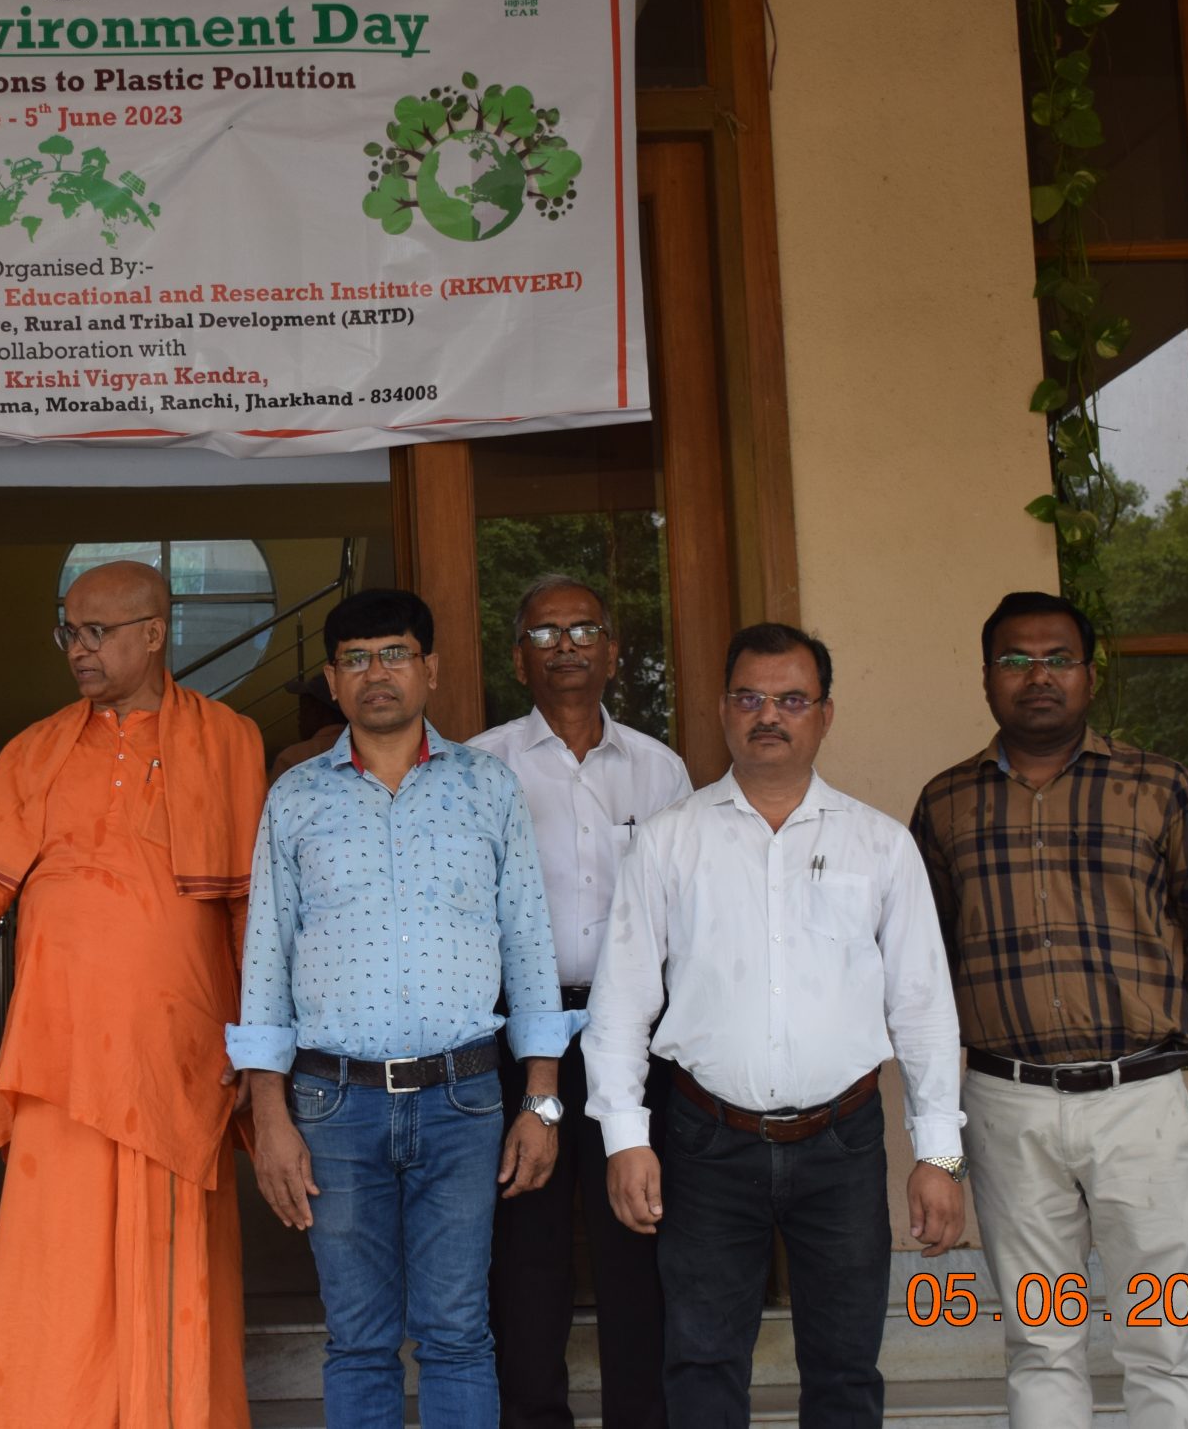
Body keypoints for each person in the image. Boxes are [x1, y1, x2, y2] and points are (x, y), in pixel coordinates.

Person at [0, 558, 264, 1427]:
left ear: (154, 634)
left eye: (97, 631)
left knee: (176, 1255)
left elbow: (252, 903)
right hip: (60, 1047)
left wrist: (257, 1042)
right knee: (56, 1258)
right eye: (69, 632)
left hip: (180, 1047)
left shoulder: (229, 739)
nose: (78, 649)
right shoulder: (34, 750)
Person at [586, 623, 966, 1429]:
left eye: (792, 699)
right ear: (724, 709)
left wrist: (940, 1153)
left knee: (846, 1368)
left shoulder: (880, 844)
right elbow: (621, 1000)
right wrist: (624, 1136)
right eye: (751, 697)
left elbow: (924, 1004)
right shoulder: (669, 840)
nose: (769, 715)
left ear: (825, 714)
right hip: (705, 1141)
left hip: (843, 1141)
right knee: (700, 1363)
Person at [912, 591, 1188, 1429]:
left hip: (1140, 1102)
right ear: (985, 677)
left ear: (1090, 675)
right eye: (1015, 659)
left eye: (1058, 658)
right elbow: (925, 959)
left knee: (1164, 1340)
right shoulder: (947, 802)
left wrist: (1162, 1016)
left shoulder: (1158, 785)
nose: (1038, 676)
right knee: (1040, 1341)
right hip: (1008, 1104)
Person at [234, 586, 568, 1429]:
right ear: (331, 680)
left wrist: (541, 1101)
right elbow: (265, 961)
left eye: (393, 654)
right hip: (333, 1105)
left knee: (458, 1333)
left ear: (430, 668)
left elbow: (531, 949)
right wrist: (268, 1116)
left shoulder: (488, 788)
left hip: (464, 1100)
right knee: (358, 1339)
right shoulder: (295, 797)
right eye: (355, 659)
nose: (375, 673)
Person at [469, 574, 691, 1429]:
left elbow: (686, 909)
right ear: (517, 657)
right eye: (544, 633)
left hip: (632, 1032)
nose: (565, 646)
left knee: (638, 1233)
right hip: (518, 1033)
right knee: (526, 1244)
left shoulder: (659, 768)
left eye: (583, 629)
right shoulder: (482, 765)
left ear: (613, 651)